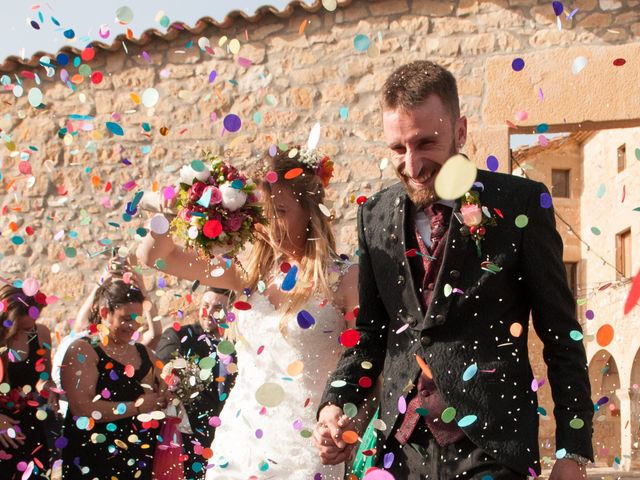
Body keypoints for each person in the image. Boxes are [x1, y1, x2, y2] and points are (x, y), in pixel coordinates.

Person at [314, 60, 594, 480]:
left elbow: (561, 335)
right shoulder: (374, 216)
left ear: (460, 132)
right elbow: (372, 336)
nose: (412, 164)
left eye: (425, 143)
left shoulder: (520, 203)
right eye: (397, 148)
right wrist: (336, 402)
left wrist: (573, 451)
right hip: (399, 451)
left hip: (494, 448)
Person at [136, 146, 361, 479]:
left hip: (307, 448)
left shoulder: (344, 279)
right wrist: (169, 216)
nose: (269, 224)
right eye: (263, 213)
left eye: (281, 210)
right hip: (240, 442)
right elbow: (156, 257)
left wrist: (346, 424)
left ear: (310, 212)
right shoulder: (246, 274)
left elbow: (363, 361)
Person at [60, 278, 169, 479]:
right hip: (94, 460)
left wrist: (166, 392)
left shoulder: (143, 352)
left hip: (138, 460)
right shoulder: (83, 350)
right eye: (126, 318)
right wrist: (136, 407)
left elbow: (166, 382)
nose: (132, 325)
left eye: (137, 318)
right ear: (104, 313)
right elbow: (82, 409)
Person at [155, 287, 236, 480]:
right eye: (205, 305)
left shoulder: (237, 346)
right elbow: (161, 368)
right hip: (186, 433)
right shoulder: (179, 336)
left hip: (226, 435)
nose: (208, 312)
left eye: (217, 307)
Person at [0, 283, 54, 479]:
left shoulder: (41, 333)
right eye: (23, 327)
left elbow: (43, 377)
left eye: (32, 324)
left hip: (30, 424)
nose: (29, 330)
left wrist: (48, 387)